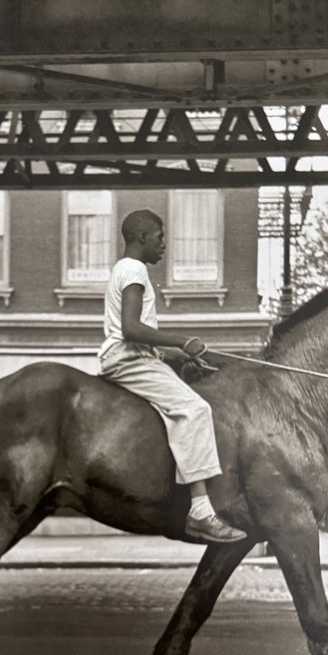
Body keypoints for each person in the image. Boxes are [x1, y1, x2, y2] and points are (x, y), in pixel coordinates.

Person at [98, 208, 246, 544]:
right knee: (195, 410)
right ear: (142, 237)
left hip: (130, 356)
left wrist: (176, 356)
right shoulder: (135, 269)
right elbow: (132, 329)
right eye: (161, 237)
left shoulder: (124, 269)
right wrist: (182, 341)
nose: (164, 245)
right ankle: (200, 510)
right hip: (128, 359)